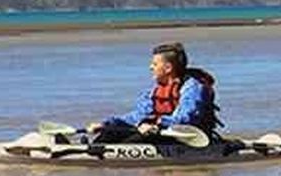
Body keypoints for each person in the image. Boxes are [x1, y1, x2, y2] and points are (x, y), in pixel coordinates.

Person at [86, 42, 220, 142]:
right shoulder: (155, 90)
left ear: (168, 68)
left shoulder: (192, 87)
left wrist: (156, 123)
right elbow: (137, 116)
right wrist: (108, 124)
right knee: (108, 134)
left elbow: (185, 118)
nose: (151, 68)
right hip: (160, 130)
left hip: (187, 137)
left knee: (135, 141)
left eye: (155, 64)